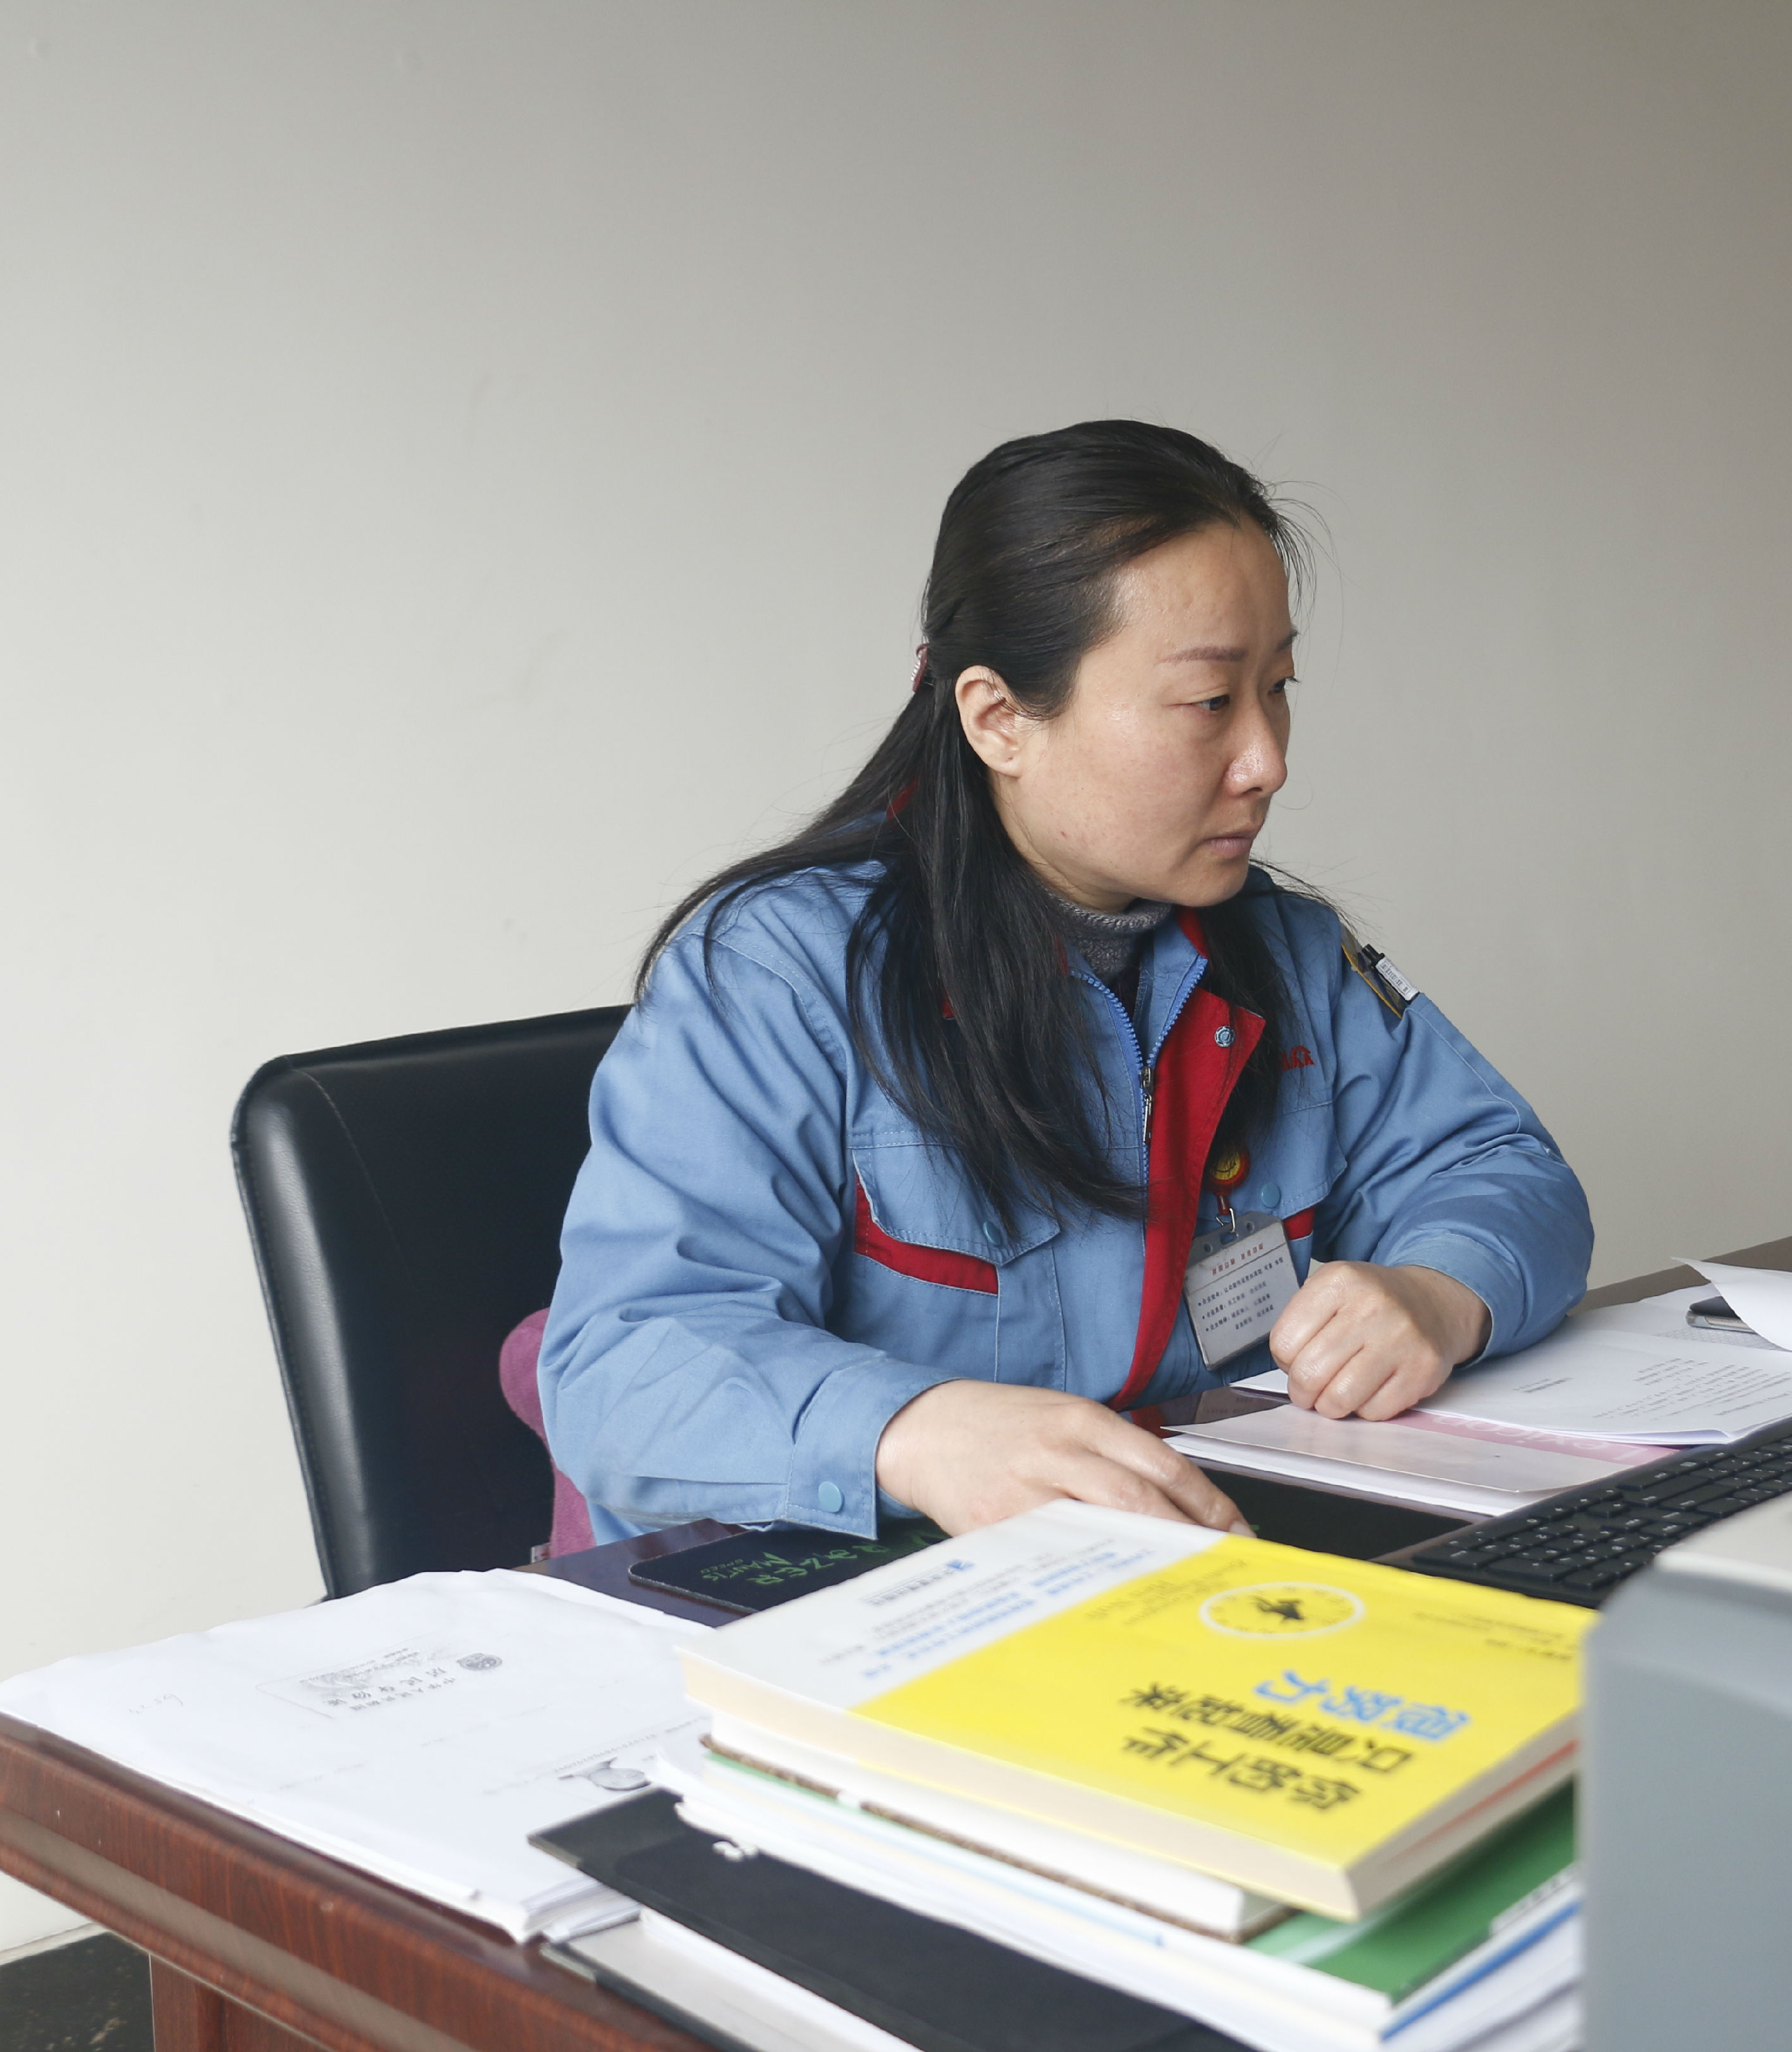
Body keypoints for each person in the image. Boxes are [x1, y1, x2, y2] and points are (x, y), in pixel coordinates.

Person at [540, 421, 1591, 1540]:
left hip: (1190, 1565)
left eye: (1278, 686)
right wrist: (914, 1431)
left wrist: (1439, 1291)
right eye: (1210, 701)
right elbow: (623, 1364)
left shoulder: (1287, 955)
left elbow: (1501, 1167)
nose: (1269, 760)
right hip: (871, 1601)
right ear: (999, 719)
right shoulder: (778, 974)